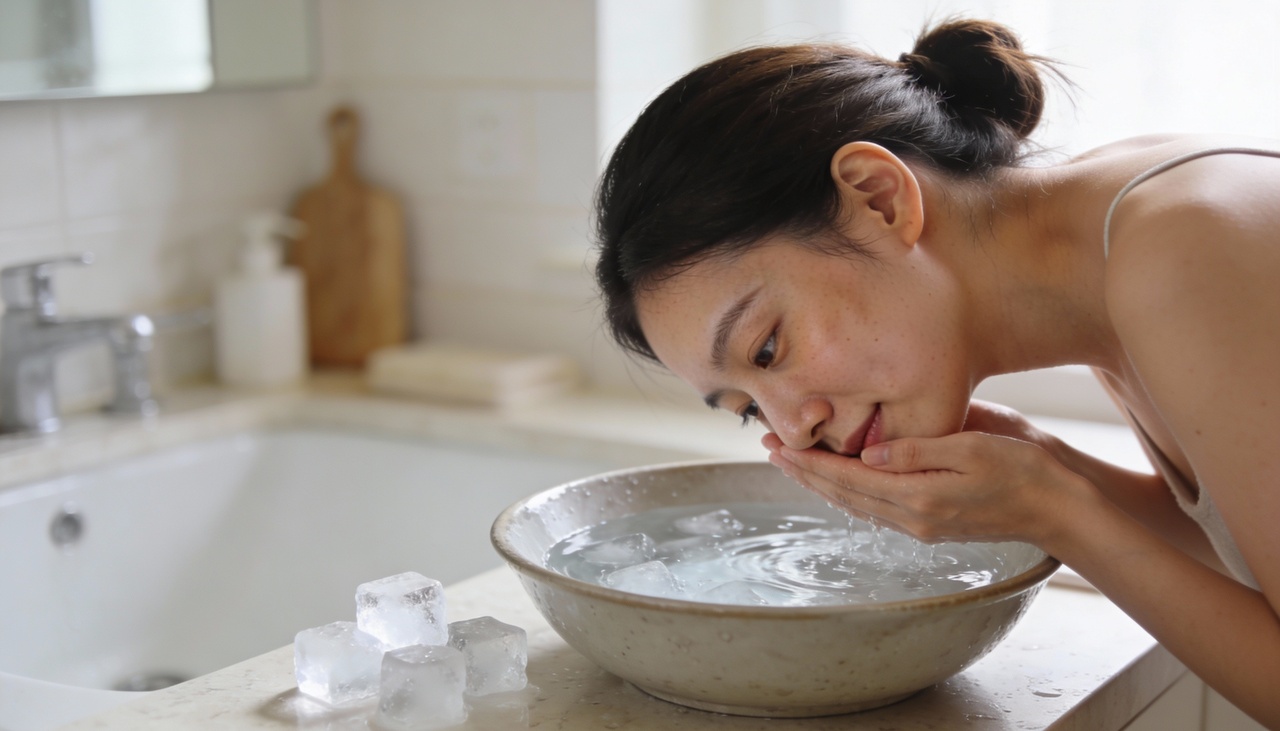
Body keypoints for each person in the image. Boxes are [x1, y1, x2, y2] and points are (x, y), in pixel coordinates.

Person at [591, 18, 1280, 728]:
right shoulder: (1108, 241)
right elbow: (1249, 555)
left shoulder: (1183, 251)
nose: (796, 425)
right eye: (749, 408)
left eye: (768, 349)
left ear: (879, 199)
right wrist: (1048, 467)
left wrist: (1058, 515)